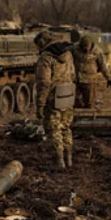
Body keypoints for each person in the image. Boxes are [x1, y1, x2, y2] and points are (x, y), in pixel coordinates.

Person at [33, 31, 77, 169]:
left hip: (53, 97)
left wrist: (40, 104)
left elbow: (44, 83)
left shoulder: (46, 57)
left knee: (54, 129)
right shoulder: (68, 53)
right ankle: (69, 159)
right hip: (68, 94)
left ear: (41, 43)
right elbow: (73, 74)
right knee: (66, 127)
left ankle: (59, 161)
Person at [72, 34, 111, 109]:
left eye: (87, 47)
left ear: (90, 45)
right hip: (76, 80)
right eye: (84, 47)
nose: (86, 49)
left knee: (89, 104)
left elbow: (103, 66)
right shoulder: (74, 49)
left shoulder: (97, 51)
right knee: (74, 103)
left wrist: (109, 78)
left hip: (90, 81)